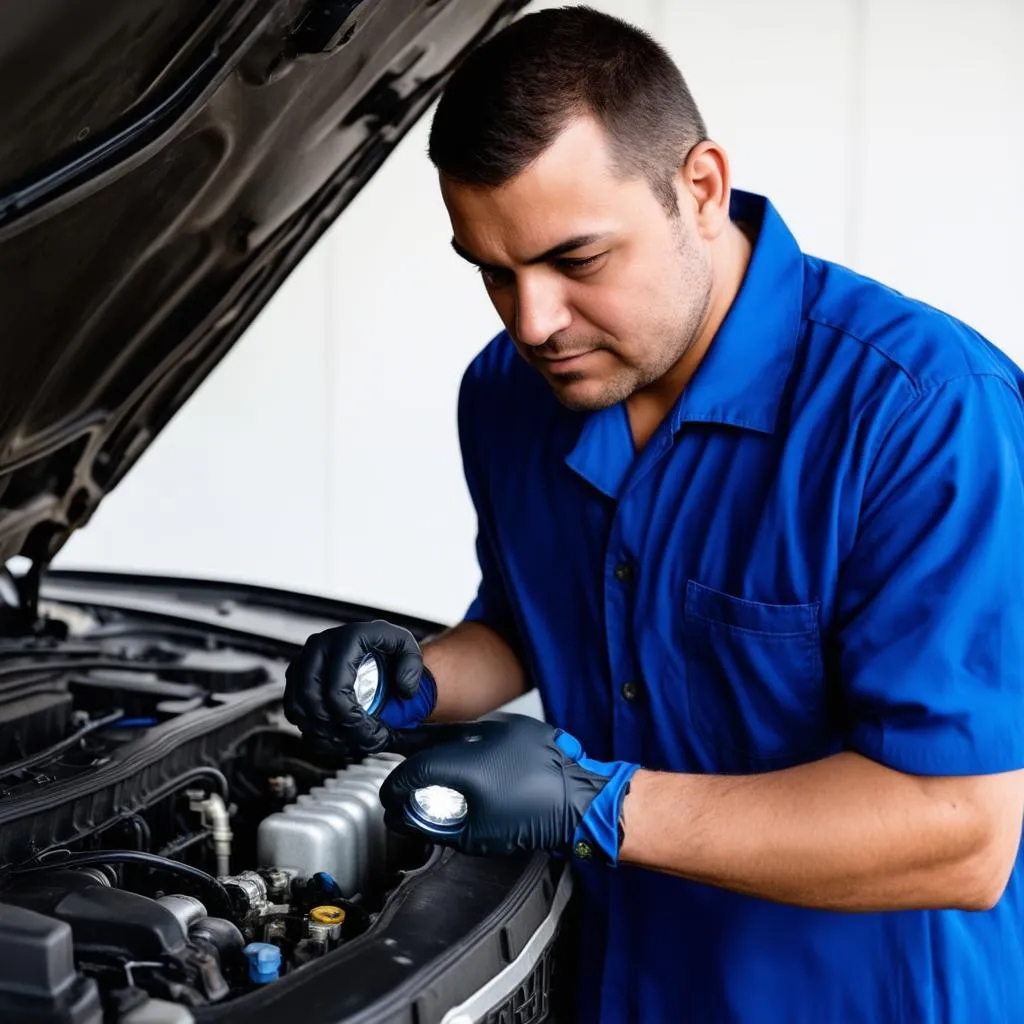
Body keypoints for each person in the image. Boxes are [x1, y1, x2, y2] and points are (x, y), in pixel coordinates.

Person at [283, 7, 1024, 1022]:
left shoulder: (921, 410)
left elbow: (959, 829)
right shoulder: (507, 395)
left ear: (701, 189)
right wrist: (414, 676)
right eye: (494, 272)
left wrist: (597, 801)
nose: (534, 321)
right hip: (610, 982)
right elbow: (538, 623)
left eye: (575, 261)